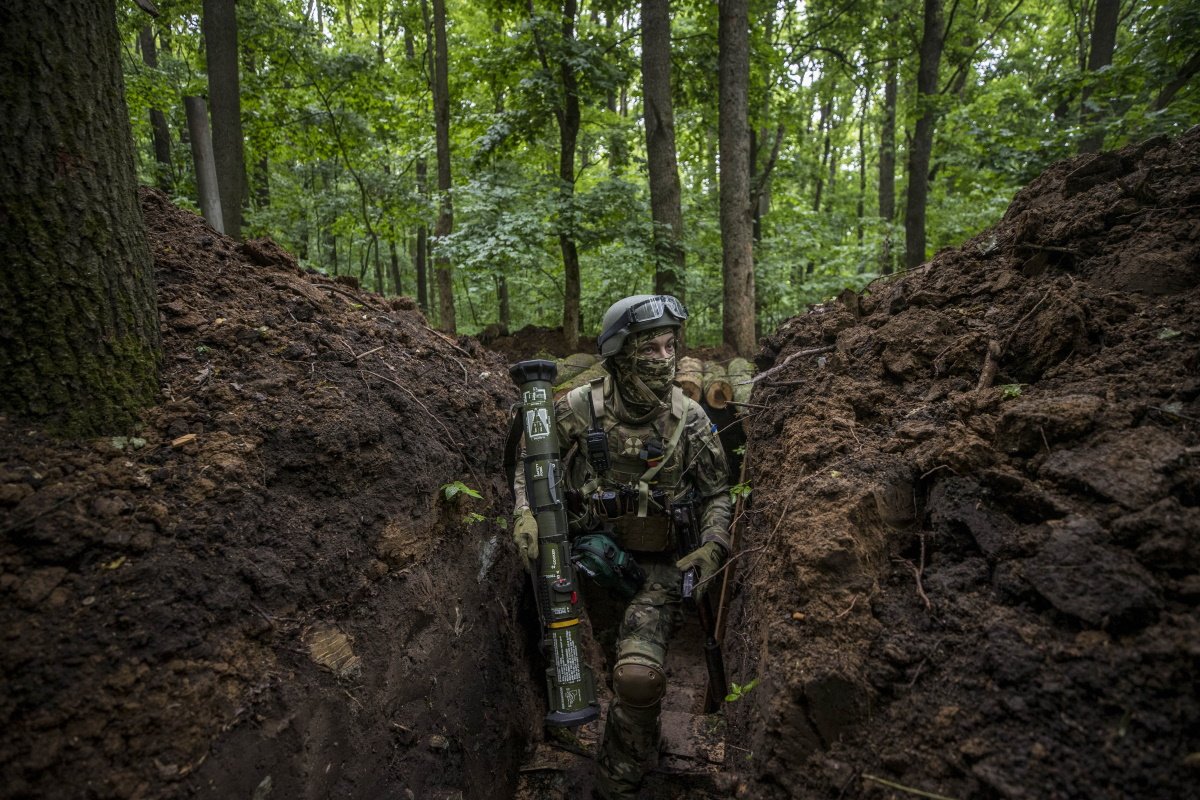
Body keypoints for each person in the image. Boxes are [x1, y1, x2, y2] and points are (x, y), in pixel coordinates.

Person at [511, 294, 732, 799]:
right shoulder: (578, 409)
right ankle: (639, 738)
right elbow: (531, 460)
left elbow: (719, 492)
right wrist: (524, 512)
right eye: (649, 349)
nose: (664, 358)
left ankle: (616, 783)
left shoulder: (690, 420)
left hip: (660, 570)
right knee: (614, 671)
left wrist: (713, 544)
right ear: (619, 353)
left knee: (636, 678)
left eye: (669, 346)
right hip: (592, 564)